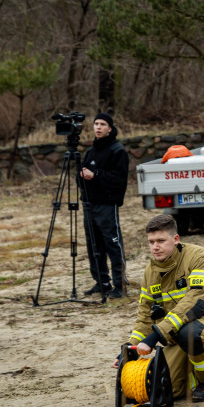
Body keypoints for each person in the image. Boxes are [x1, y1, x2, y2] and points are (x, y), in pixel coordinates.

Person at [121, 214, 204, 402]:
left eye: (161, 240)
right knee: (164, 389)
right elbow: (145, 315)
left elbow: (195, 303)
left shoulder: (198, 257)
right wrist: (131, 347)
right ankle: (190, 374)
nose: (155, 247)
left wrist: (155, 337)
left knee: (192, 334)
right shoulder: (150, 272)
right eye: (151, 242)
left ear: (176, 239)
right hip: (181, 327)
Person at [79, 112, 129, 299]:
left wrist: (96, 175)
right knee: (94, 245)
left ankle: (120, 284)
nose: (98, 127)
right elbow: (82, 177)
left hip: (107, 205)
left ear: (110, 128)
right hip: (89, 204)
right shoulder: (91, 151)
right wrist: (83, 176)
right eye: (96, 124)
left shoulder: (117, 151)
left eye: (102, 124)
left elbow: (119, 179)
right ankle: (102, 282)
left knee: (112, 244)